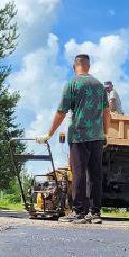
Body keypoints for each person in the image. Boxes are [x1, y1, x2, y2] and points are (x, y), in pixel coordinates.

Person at [43, 53, 110, 224]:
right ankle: (95, 213)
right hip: (96, 136)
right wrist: (105, 133)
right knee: (96, 174)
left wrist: (49, 133)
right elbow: (106, 112)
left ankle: (79, 212)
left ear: (75, 66)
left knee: (79, 173)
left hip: (79, 136)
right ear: (89, 66)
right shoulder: (99, 86)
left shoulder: (72, 84)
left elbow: (61, 111)